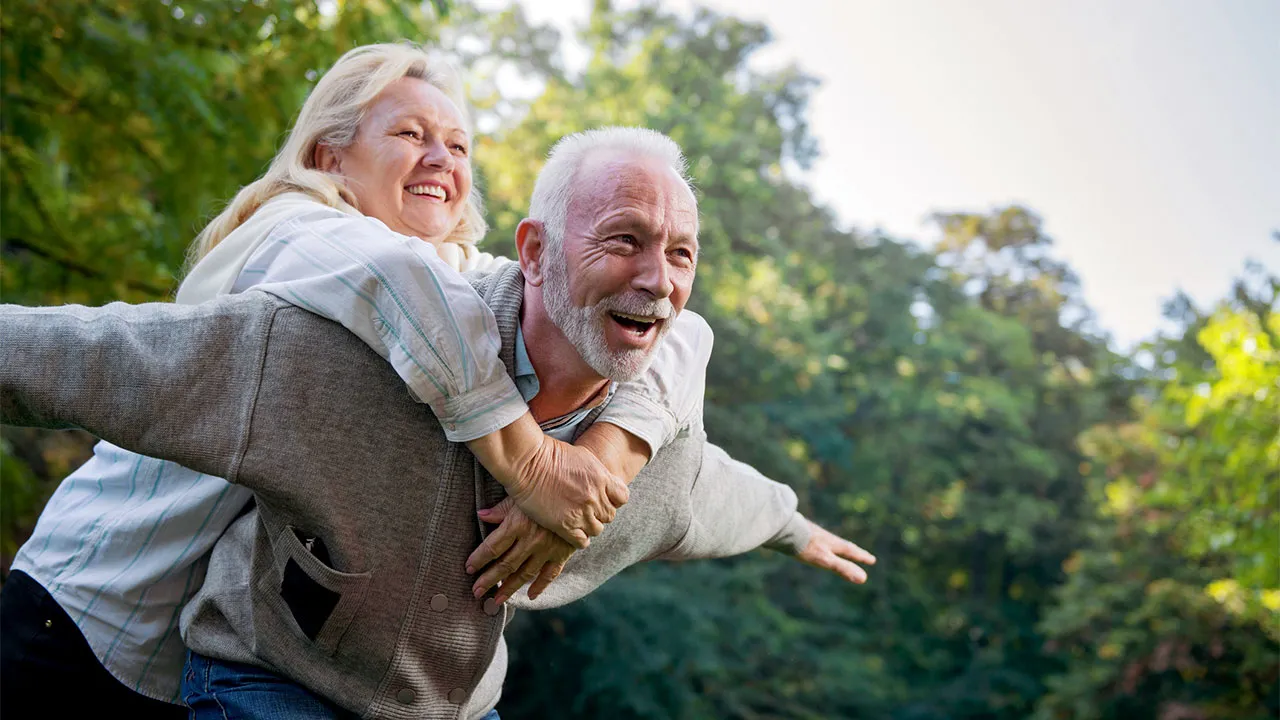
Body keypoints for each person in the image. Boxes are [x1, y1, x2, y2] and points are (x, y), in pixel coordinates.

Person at [0, 126, 876, 720]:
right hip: (269, 681)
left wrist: (792, 523)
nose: (659, 280)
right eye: (624, 239)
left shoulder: (651, 453)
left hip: (449, 708)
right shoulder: (345, 356)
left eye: (681, 253)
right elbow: (107, 356)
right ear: (534, 252)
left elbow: (715, 494)